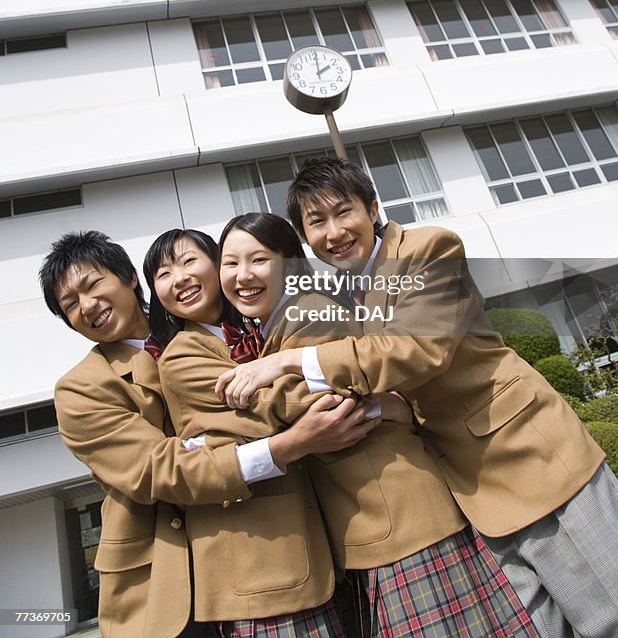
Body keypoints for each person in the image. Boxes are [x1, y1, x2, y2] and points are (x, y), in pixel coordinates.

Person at [217, 157, 618, 638]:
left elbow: (418, 347)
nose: (333, 232)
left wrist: (286, 362)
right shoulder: (342, 292)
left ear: (373, 208)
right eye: (316, 222)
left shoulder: (426, 249)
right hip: (465, 489)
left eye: (343, 212)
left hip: (529, 458)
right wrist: (384, 406)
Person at [150, 219, 541, 638]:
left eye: (258, 260)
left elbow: (325, 398)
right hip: (349, 531)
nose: (242, 274)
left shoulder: (304, 311)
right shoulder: (202, 349)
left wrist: (388, 404)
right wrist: (383, 406)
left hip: (396, 513)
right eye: (232, 263)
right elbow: (288, 403)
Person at [40, 230, 370, 638]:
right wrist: (289, 444)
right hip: (167, 582)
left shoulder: (228, 327)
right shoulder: (79, 390)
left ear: (128, 278)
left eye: (92, 286)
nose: (87, 306)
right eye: (69, 304)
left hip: (283, 544)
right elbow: (159, 470)